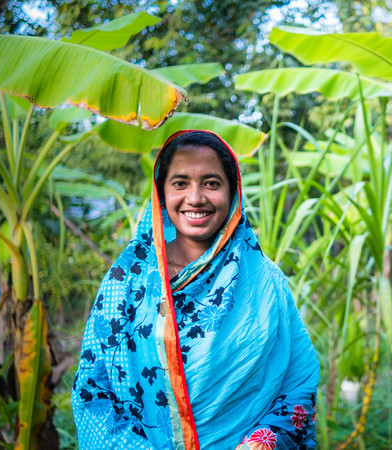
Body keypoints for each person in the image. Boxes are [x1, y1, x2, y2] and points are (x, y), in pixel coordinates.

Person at [72, 130, 319, 449]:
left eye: (212, 183)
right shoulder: (129, 279)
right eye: (180, 183)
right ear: (161, 192)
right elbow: (94, 390)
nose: (196, 197)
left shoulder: (265, 280)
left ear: (233, 193)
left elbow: (297, 382)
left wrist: (260, 443)